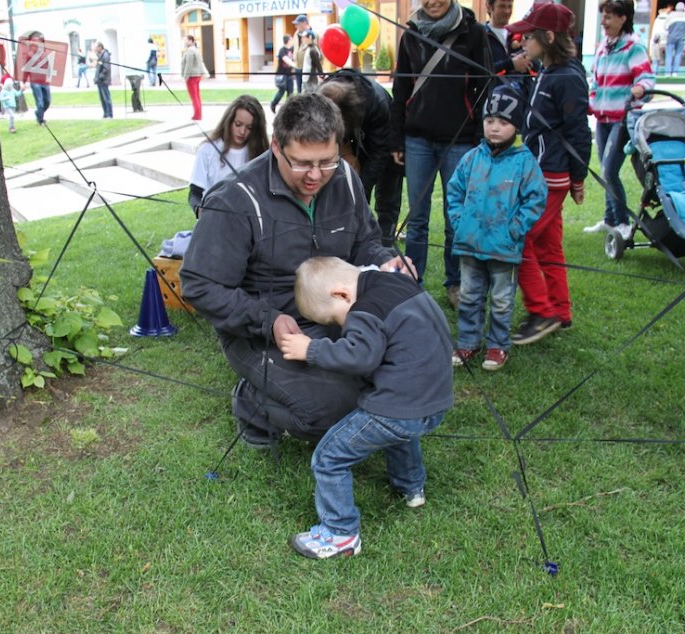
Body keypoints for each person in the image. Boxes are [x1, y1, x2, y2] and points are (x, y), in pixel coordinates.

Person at [180, 93, 409, 447]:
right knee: (334, 411)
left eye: (326, 161)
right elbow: (199, 285)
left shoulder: (346, 179)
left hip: (335, 315)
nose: (316, 176)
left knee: (406, 374)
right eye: (302, 164)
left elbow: (365, 241)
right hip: (265, 332)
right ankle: (252, 401)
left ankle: (325, 381)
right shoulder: (235, 198)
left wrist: (384, 260)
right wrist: (266, 319)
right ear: (276, 146)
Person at [281, 257, 453, 559]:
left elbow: (360, 356)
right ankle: (411, 487)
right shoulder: (396, 283)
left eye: (336, 320)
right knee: (401, 433)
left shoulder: (364, 309)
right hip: (434, 399)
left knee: (329, 457)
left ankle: (341, 534)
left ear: (342, 294)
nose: (342, 327)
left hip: (399, 403)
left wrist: (311, 349)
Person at [390, 0, 492, 309]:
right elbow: (401, 89)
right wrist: (397, 139)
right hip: (417, 139)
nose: (432, 2)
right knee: (417, 218)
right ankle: (413, 281)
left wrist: (479, 136)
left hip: (460, 141)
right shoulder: (411, 34)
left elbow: (485, 87)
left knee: (455, 218)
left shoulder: (473, 33)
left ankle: (455, 282)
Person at [448, 85, 546, 371]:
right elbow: (454, 192)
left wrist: (515, 229)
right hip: (469, 245)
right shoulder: (471, 158)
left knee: (502, 300)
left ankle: (497, 345)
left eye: (503, 122)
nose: (494, 127)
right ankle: (468, 341)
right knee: (469, 296)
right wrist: (460, 222)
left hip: (504, 249)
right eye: (490, 120)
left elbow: (536, 198)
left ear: (516, 126)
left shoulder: (525, 162)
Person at [509, 2, 591, 344]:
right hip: (539, 170)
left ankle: (542, 313)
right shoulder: (547, 70)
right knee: (548, 244)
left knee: (518, 239)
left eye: (529, 36)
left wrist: (578, 178)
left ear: (549, 37)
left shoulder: (568, 77)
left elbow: (578, 131)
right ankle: (560, 309)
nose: (522, 41)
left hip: (549, 175)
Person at [583, 0, 655, 238]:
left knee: (609, 171)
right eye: (602, 17)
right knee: (606, 171)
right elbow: (595, 83)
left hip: (622, 120)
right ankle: (610, 219)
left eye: (608, 17)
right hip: (602, 120)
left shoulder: (633, 47)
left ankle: (623, 223)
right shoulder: (602, 48)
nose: (603, 22)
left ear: (623, 18)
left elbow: (647, 79)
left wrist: (641, 89)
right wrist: (591, 103)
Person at [319, 69, 403, 247]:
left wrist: (360, 188)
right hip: (357, 144)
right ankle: (351, 243)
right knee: (346, 198)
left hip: (387, 147)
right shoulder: (322, 99)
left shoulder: (377, 104)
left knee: (387, 201)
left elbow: (380, 153)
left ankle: (384, 248)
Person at [188, 95, 269, 216]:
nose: (242, 131)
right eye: (238, 124)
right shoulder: (207, 150)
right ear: (229, 121)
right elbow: (194, 193)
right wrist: (199, 210)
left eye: (249, 128)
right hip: (213, 219)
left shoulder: (260, 155)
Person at [485, 0, 533, 87]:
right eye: (502, 6)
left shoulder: (519, 33)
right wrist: (510, 64)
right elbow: (480, 71)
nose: (507, 11)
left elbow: (534, 67)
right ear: (489, 7)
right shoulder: (481, 35)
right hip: (492, 93)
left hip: (520, 92)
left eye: (510, 6)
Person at [181, 35, 208, 121]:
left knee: (194, 97)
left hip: (191, 76)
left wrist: (186, 76)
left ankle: (197, 115)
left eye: (186, 40)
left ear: (191, 41)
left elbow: (188, 64)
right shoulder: (195, 50)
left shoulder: (190, 51)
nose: (184, 42)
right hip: (196, 75)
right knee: (197, 96)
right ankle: (198, 114)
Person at [665, 2, 685, 77]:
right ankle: (675, 72)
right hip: (681, 38)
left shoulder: (671, 15)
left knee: (669, 55)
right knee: (678, 54)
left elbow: (665, 27)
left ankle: (667, 73)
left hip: (671, 38)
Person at [270, 35, 295, 113]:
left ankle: (288, 109)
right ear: (287, 41)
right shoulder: (282, 50)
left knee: (290, 92)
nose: (292, 41)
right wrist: (296, 66)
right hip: (282, 74)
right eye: (291, 39)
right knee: (282, 91)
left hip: (289, 74)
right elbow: (286, 60)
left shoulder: (293, 49)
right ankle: (273, 104)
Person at [94, 42, 113, 119]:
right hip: (99, 80)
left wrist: (101, 76)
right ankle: (105, 113)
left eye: (96, 47)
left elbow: (106, 67)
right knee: (102, 98)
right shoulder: (100, 55)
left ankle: (109, 114)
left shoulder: (105, 55)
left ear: (100, 47)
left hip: (103, 80)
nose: (95, 49)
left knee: (106, 98)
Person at [293, 14, 311, 92]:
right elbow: (295, 48)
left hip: (308, 67)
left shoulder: (311, 34)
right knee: (299, 90)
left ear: (304, 23)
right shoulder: (296, 34)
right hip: (298, 66)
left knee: (307, 89)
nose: (296, 26)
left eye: (298, 24)